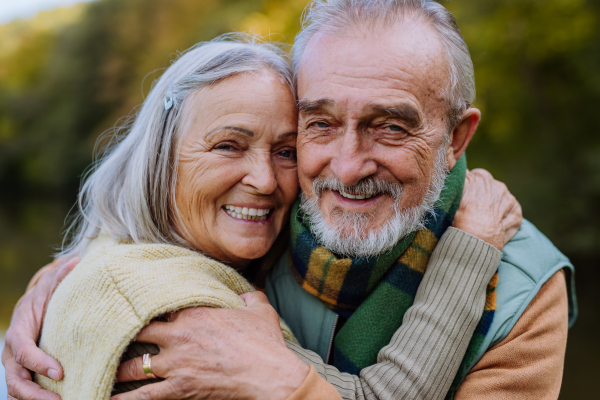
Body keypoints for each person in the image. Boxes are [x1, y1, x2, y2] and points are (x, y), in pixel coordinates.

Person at [2, 31, 521, 400]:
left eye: (287, 150)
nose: (267, 181)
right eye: (228, 145)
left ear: (455, 139)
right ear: (159, 161)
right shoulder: (177, 304)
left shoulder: (141, 258)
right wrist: (470, 245)